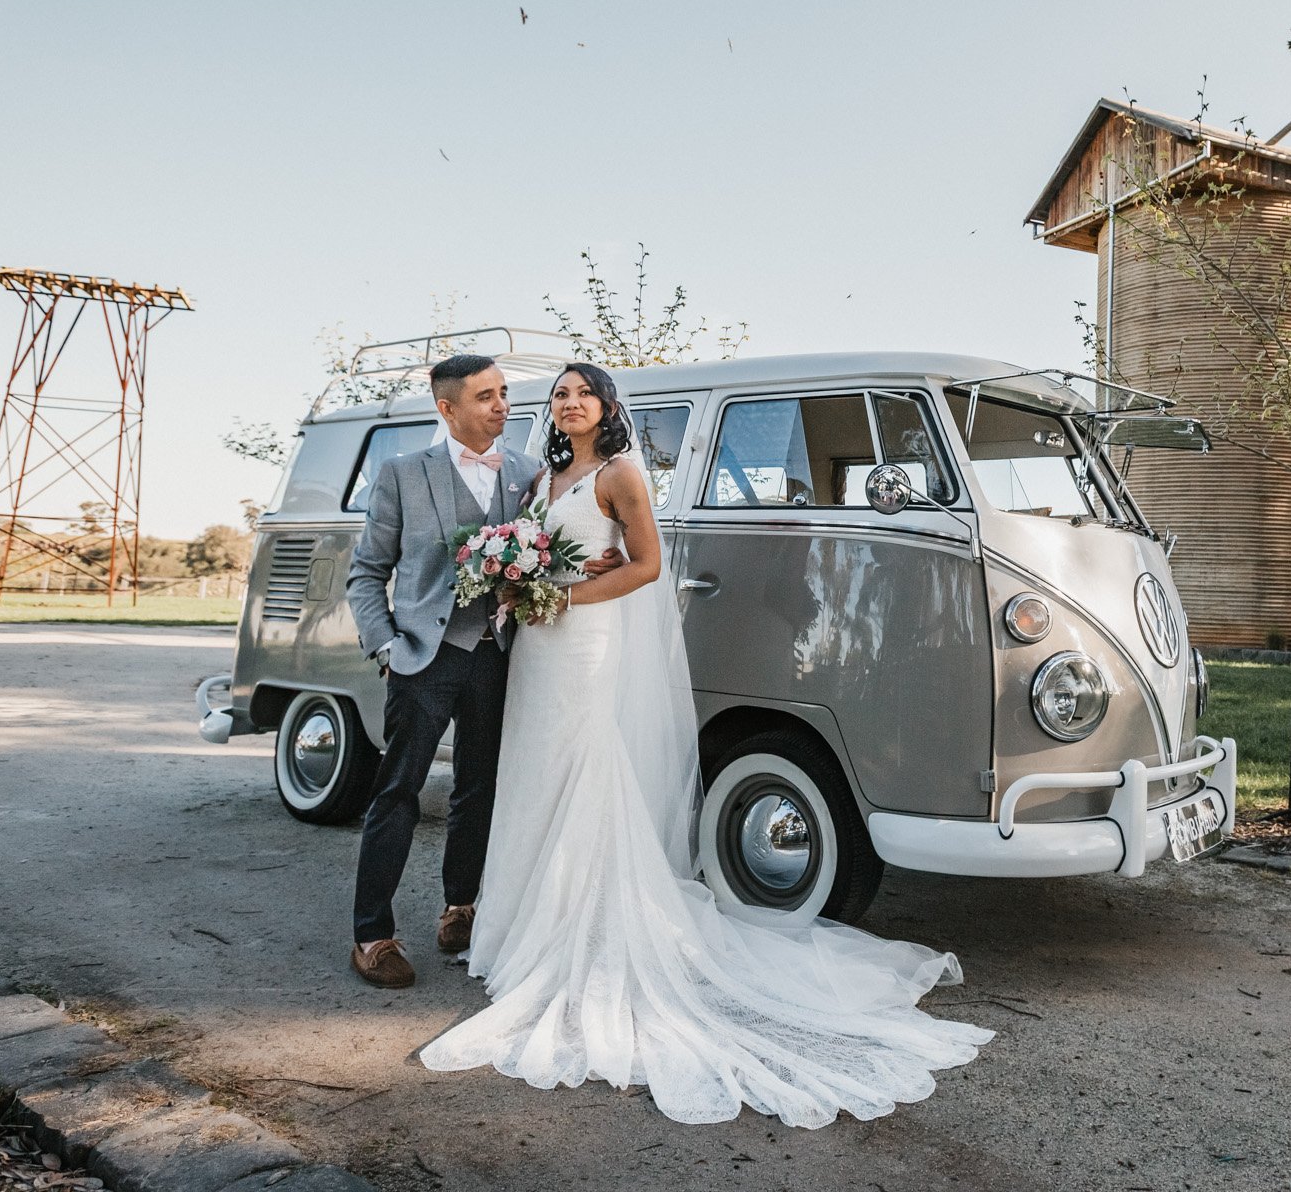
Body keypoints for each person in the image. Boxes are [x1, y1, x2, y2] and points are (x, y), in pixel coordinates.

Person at [419, 362, 991, 1127]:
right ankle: (519, 924)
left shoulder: (622, 474)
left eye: (584, 392)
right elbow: (543, 551)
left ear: (608, 406)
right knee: (533, 773)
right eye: (559, 394)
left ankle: (576, 932)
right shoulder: (542, 481)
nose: (570, 402)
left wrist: (562, 595)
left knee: (583, 770)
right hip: (538, 647)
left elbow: (648, 566)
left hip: (584, 642)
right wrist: (525, 584)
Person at [341, 353, 619, 989]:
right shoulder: (401, 474)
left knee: (479, 789)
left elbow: (546, 555)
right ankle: (372, 934)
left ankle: (460, 906)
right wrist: (386, 644)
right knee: (399, 792)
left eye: (503, 394)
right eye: (487, 397)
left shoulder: (528, 473)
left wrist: (584, 569)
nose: (503, 406)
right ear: (448, 408)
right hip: (422, 658)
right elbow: (366, 573)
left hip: (499, 656)